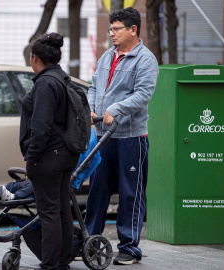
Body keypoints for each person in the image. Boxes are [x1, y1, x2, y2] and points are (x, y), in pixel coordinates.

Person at [85, 7, 159, 266]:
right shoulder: (107, 56)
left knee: (131, 193)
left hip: (131, 137)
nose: (112, 33)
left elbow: (143, 95)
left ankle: (129, 248)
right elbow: (94, 85)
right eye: (111, 28)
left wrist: (113, 110)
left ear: (133, 30)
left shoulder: (145, 60)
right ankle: (89, 241)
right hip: (104, 137)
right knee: (97, 190)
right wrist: (91, 107)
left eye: (116, 29)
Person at [19, 32, 80, 270]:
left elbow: (40, 126)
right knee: (62, 208)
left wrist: (32, 159)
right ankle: (63, 260)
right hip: (66, 154)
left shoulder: (45, 83)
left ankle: (50, 264)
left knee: (49, 212)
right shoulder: (62, 78)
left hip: (48, 157)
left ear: (35, 58)